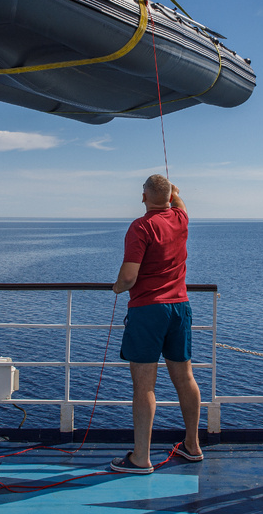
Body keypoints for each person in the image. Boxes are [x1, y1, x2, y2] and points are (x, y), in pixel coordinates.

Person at [109, 175, 203, 473]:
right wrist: (174, 193)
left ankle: (141, 457)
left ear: (143, 197)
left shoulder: (141, 226)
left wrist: (117, 288)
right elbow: (180, 203)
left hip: (148, 310)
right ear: (170, 197)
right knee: (185, 378)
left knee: (144, 386)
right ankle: (192, 445)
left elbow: (127, 278)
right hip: (180, 308)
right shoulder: (181, 218)